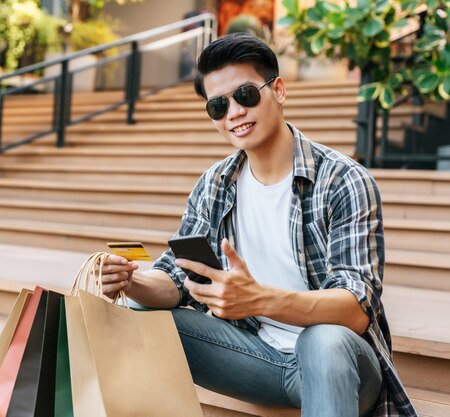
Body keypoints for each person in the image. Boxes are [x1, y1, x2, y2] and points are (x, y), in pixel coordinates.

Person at [100, 33, 416, 417]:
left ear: (278, 90)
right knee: (135, 316)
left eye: (245, 95)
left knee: (324, 340)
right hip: (256, 358)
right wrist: (131, 279)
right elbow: (178, 279)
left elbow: (355, 310)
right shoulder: (215, 184)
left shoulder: (343, 180)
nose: (233, 112)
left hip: (341, 366)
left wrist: (258, 299)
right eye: (217, 106)